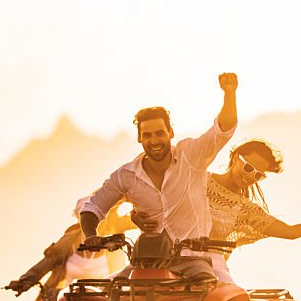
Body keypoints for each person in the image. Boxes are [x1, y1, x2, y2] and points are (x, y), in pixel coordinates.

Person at [131, 138, 301, 284]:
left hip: (211, 264)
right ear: (234, 158)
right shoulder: (197, 180)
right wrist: (136, 215)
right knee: (112, 291)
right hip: (165, 257)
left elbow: (290, 231)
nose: (250, 176)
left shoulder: (245, 209)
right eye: (248, 167)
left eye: (258, 175)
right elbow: (160, 201)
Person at [79, 73, 239, 278]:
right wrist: (91, 235)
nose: (154, 140)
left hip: (194, 259)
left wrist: (229, 93)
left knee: (223, 293)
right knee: (106, 294)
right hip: (147, 263)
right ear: (139, 138)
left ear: (170, 132)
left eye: (159, 133)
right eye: (147, 135)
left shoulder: (190, 156)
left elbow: (222, 130)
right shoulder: (125, 176)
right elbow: (93, 208)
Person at [6, 199, 136, 301]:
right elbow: (44, 264)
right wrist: (24, 281)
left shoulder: (115, 244)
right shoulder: (68, 242)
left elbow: (120, 278)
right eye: (88, 218)